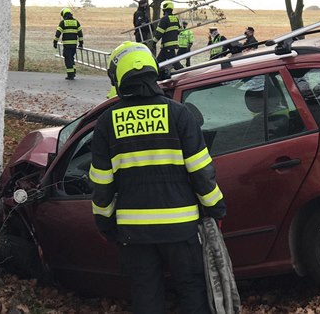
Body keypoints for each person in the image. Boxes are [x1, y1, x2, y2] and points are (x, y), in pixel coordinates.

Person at [90, 41, 227, 314]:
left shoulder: (107, 123)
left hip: (134, 231)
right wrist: (215, 209)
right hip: (181, 227)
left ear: (118, 78)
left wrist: (104, 223)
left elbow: (102, 184)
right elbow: (201, 170)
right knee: (191, 290)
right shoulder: (179, 114)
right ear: (152, 71)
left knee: (146, 294)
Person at [152, 0, 183, 70]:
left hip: (167, 46)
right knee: (158, 63)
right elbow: (178, 31)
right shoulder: (176, 19)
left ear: (165, 10)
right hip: (169, 46)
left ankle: (185, 73)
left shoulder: (164, 19)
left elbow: (159, 33)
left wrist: (153, 42)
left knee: (176, 64)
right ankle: (157, 76)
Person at [53, 8, 84, 80]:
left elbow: (58, 33)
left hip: (67, 45)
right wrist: (81, 43)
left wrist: (55, 42)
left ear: (63, 14)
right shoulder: (76, 22)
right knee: (71, 58)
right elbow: (80, 34)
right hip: (74, 45)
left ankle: (70, 75)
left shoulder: (63, 22)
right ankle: (73, 72)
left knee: (68, 59)